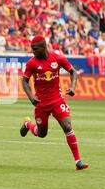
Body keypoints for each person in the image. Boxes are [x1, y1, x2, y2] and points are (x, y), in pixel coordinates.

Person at [19, 36, 89, 170]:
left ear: (43, 47)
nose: (32, 51)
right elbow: (24, 81)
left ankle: (78, 161)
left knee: (67, 126)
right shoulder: (32, 63)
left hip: (57, 99)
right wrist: (31, 97)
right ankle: (27, 124)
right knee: (42, 134)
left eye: (35, 49)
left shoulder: (58, 58)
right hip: (41, 103)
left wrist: (73, 87)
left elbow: (73, 72)